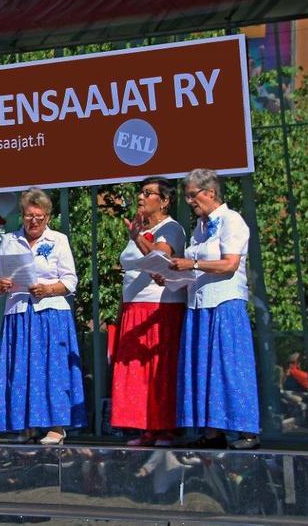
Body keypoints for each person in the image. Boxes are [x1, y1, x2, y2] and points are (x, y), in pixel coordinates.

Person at [168, 168, 260, 450]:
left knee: (231, 367)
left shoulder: (232, 220)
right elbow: (196, 268)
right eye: (187, 197)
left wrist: (192, 264)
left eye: (192, 196)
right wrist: (173, 275)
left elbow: (230, 264)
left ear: (210, 192)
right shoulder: (200, 227)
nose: (190, 202)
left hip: (224, 303)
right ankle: (212, 431)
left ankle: (247, 432)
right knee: (204, 369)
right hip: (199, 305)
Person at [0, 188, 85, 445]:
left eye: (39, 217)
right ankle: (26, 425)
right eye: (29, 216)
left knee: (53, 369)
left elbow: (70, 281)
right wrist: (0, 285)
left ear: (48, 217)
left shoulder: (58, 240)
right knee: (21, 370)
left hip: (50, 312)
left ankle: (56, 426)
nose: (34, 221)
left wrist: (48, 289)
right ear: (22, 215)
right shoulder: (9, 240)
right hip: (19, 313)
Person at [110, 178, 186, 446]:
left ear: (164, 201)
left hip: (159, 307)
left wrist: (137, 237)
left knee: (158, 368)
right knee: (137, 371)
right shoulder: (140, 229)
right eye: (140, 193)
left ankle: (165, 429)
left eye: (148, 193)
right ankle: (147, 429)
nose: (140, 197)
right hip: (134, 307)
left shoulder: (171, 228)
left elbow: (161, 258)